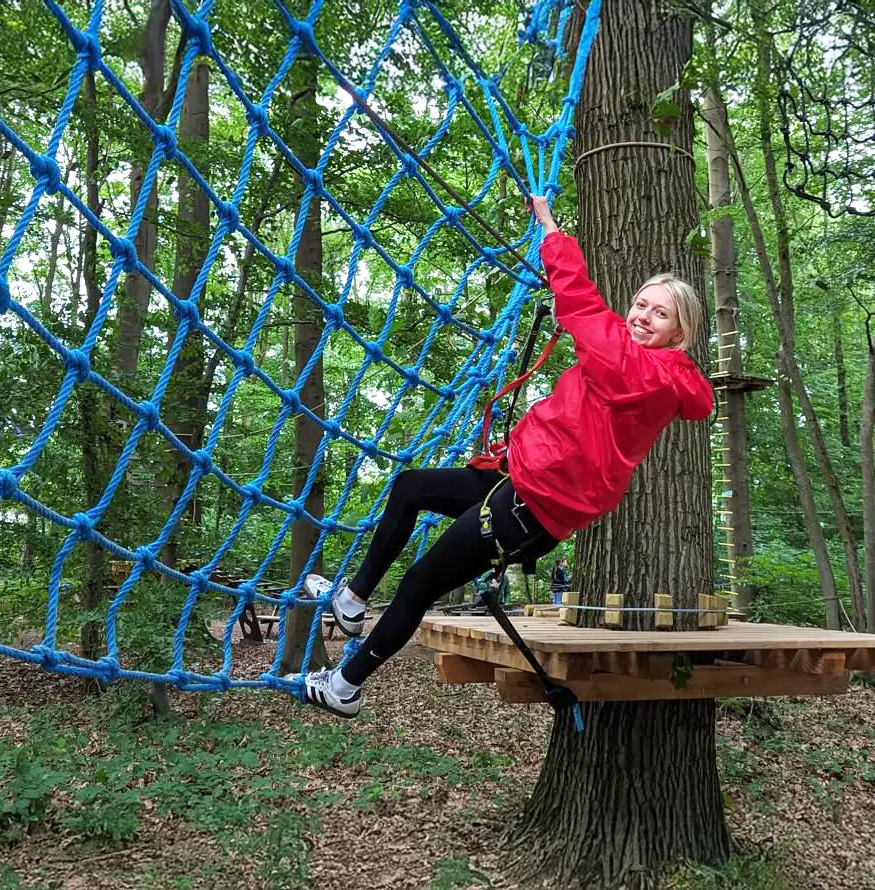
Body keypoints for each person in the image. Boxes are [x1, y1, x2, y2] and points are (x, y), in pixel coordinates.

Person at [293, 196, 714, 718]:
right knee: (411, 487)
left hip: (532, 506)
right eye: (641, 305)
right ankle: (353, 601)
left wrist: (552, 232)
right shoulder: (637, 364)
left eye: (660, 313)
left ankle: (345, 686)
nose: (643, 317)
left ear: (679, 334)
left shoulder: (641, 371)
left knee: (420, 584)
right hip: (518, 478)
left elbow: (583, 305)